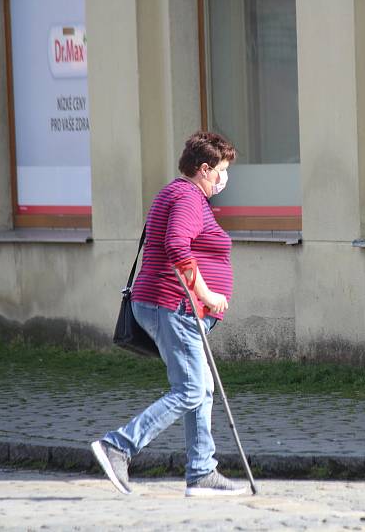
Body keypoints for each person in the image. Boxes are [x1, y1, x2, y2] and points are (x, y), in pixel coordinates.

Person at [91, 131, 246, 497]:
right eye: (222, 170)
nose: (225, 178)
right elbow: (176, 245)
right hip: (175, 306)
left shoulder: (177, 193)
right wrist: (205, 293)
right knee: (191, 388)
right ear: (205, 169)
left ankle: (201, 472)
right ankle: (119, 447)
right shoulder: (188, 197)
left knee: (202, 388)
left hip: (170, 305)